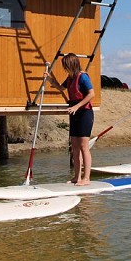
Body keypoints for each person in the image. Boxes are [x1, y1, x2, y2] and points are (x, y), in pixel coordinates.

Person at [49, 53, 95, 185]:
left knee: (83, 146)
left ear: (72, 65)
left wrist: (77, 106)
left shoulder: (83, 77)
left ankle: (86, 178)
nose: (65, 69)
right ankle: (77, 177)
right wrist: (50, 80)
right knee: (74, 146)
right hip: (74, 113)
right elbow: (60, 88)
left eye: (66, 66)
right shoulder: (70, 77)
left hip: (85, 113)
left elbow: (92, 93)